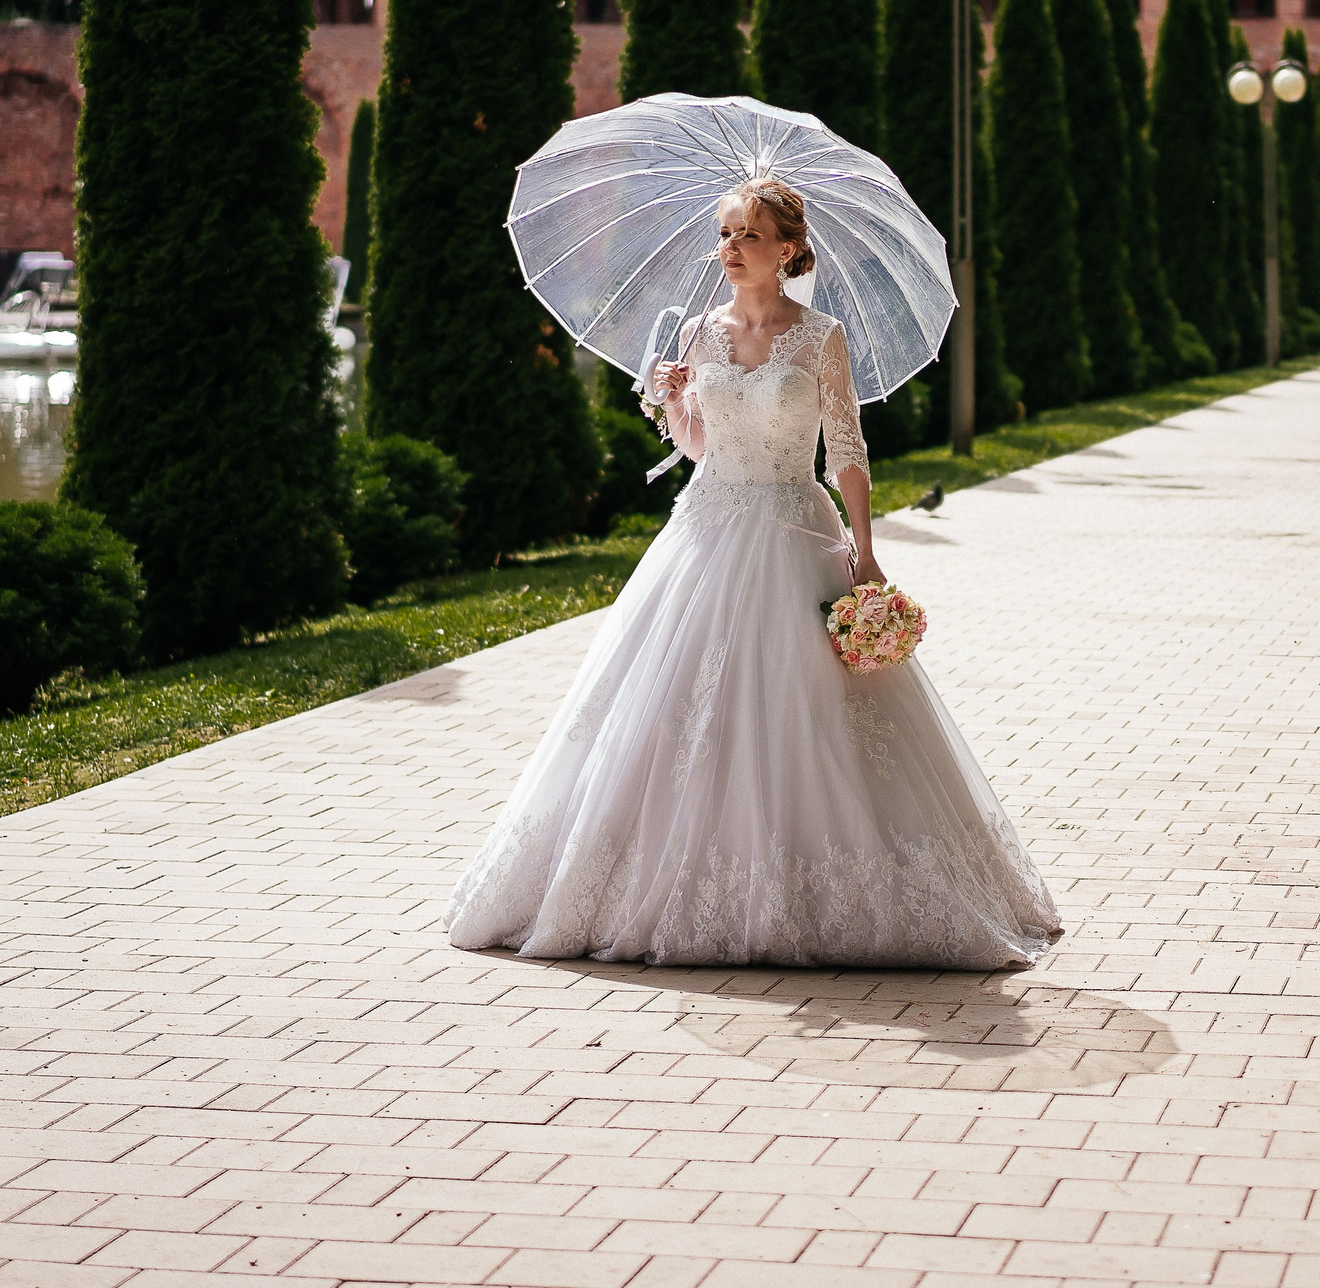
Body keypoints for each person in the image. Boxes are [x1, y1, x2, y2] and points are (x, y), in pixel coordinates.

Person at [445, 177, 1060, 969]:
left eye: (749, 235)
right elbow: (702, 447)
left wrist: (865, 553)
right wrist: (673, 404)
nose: (731, 249)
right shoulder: (700, 333)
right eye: (726, 234)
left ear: (790, 250)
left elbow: (846, 452)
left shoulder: (820, 337)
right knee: (667, 707)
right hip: (704, 535)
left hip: (794, 528)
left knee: (806, 709)